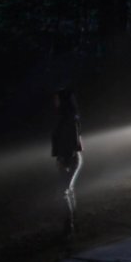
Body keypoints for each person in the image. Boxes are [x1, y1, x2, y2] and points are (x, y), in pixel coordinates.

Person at [52, 87, 83, 237]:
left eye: (57, 98)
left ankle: (69, 226)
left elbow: (71, 141)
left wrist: (64, 159)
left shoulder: (69, 118)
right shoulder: (66, 117)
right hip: (68, 157)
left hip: (69, 158)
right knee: (68, 191)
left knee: (64, 192)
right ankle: (73, 224)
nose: (55, 101)